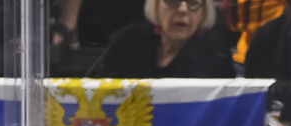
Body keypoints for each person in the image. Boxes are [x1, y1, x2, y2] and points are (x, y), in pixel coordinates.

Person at [86, 0, 235, 79]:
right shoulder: (127, 39)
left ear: (203, 12)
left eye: (193, 3)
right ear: (156, 6)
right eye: (172, 0)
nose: (183, 9)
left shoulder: (216, 53)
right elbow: (92, 89)